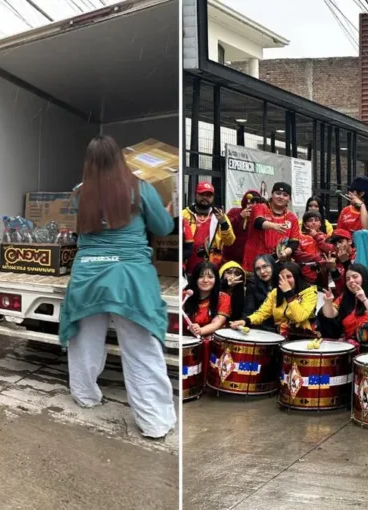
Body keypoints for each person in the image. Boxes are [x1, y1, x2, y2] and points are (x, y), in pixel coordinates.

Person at [59, 135, 175, 439]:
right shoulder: (140, 188)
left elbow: (79, 229)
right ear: (120, 159)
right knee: (140, 349)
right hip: (130, 277)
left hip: (88, 276)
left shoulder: (77, 193)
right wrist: (166, 209)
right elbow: (163, 228)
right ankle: (154, 421)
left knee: (84, 342)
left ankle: (85, 396)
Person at [230, 262, 318, 339]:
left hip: (304, 337)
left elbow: (300, 317)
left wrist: (289, 294)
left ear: (296, 277)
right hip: (281, 335)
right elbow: (262, 313)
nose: (285, 281)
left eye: (289, 277)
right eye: (281, 278)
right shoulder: (275, 293)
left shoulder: (310, 293)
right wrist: (245, 321)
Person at [321, 263, 368, 350]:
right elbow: (330, 314)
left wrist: (364, 299)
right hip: (352, 348)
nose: (351, 280)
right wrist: (328, 302)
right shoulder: (344, 297)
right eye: (347, 279)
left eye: (355, 276)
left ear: (364, 277)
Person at [242, 182, 300, 271]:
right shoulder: (260, 207)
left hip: (276, 262)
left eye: (285, 195)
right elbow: (258, 222)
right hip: (254, 260)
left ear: (289, 199)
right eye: (278, 193)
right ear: (272, 194)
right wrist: (275, 226)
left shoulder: (292, 218)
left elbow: (294, 242)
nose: (281, 197)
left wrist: (285, 253)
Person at [182, 182, 234, 274]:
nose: (205, 198)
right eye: (202, 194)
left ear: (213, 197)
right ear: (196, 194)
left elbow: (229, 242)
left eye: (209, 195)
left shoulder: (220, 216)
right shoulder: (184, 214)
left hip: (212, 268)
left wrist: (224, 223)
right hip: (188, 268)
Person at [295, 210, 334, 284]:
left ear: (320, 223)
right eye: (310, 220)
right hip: (304, 276)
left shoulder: (327, 237)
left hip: (324, 275)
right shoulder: (299, 238)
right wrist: (316, 258)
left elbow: (330, 249)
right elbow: (297, 254)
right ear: (305, 224)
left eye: (316, 220)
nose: (313, 222)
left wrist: (316, 236)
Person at [223, 189, 259, 265]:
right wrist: (240, 216)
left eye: (257, 202)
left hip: (251, 259)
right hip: (230, 256)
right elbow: (226, 228)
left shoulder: (260, 217)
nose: (254, 205)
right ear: (245, 202)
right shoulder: (234, 211)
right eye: (252, 202)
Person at [244, 254, 277, 330]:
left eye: (265, 266)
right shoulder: (252, 286)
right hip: (260, 329)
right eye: (258, 269)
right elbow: (249, 310)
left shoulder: (283, 283)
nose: (262, 271)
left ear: (273, 265)